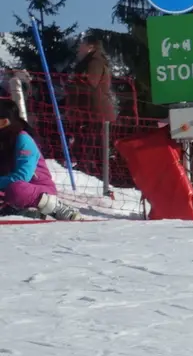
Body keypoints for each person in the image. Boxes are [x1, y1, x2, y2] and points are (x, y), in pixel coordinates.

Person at [1, 106, 79, 220]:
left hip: (36, 190)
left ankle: (57, 208)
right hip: (6, 189)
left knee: (17, 189)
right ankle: (20, 211)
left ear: (4, 122)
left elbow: (22, 176)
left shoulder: (22, 139)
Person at [72, 34, 118, 195]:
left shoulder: (95, 62)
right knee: (91, 148)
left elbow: (90, 82)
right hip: (93, 112)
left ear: (90, 46)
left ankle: (97, 184)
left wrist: (72, 81)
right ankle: (92, 179)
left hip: (97, 113)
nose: (79, 48)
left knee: (93, 149)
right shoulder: (92, 61)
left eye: (82, 45)